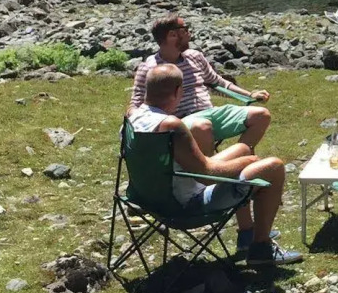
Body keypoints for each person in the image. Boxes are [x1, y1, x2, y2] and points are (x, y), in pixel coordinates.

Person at [126, 63, 301, 266]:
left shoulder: (132, 118)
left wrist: (243, 156)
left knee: (243, 149)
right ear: (178, 91)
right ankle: (260, 247)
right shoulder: (171, 126)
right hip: (186, 205)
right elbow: (205, 174)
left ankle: (247, 234)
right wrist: (249, 162)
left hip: (151, 199)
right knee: (273, 166)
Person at [129, 14, 271, 160]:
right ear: (172, 35)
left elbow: (218, 83)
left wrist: (249, 94)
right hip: (181, 123)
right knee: (202, 126)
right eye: (185, 29)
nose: (190, 34)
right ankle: (209, 173)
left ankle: (232, 160)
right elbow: (136, 104)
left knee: (261, 115)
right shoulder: (150, 68)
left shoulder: (195, 57)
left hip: (210, 114)